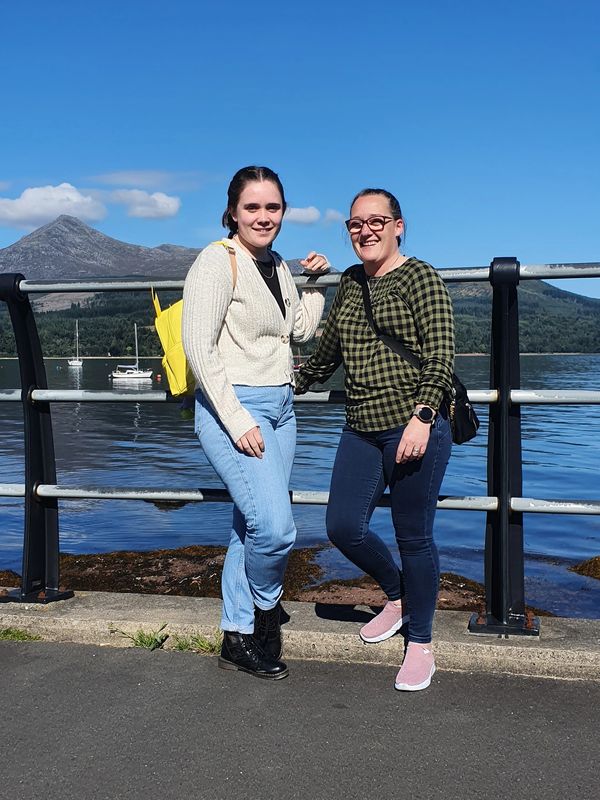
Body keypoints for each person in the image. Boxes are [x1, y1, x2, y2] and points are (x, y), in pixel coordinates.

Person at [295, 188, 454, 692]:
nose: (365, 230)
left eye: (376, 221)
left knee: (414, 537)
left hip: (414, 425)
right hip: (360, 427)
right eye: (355, 223)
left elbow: (441, 353)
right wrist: (288, 384)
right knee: (342, 526)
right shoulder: (348, 282)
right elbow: (326, 354)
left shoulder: (420, 276)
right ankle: (398, 595)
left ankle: (421, 644)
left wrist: (423, 416)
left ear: (398, 226)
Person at [182, 166, 328, 680]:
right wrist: (237, 418)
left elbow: (299, 331)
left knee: (250, 525)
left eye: (273, 207)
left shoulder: (278, 264)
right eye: (253, 207)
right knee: (276, 527)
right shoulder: (216, 261)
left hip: (282, 407)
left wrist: (314, 283)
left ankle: (235, 635)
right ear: (232, 212)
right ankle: (266, 609)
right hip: (236, 408)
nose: (264, 217)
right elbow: (198, 347)